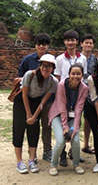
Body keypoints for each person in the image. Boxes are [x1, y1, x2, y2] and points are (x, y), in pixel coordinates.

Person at [13, 54, 58, 174]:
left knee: (34, 130)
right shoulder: (30, 74)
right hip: (22, 101)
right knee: (19, 129)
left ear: (53, 68)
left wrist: (34, 116)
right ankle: (19, 161)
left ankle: (32, 160)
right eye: (43, 65)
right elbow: (24, 94)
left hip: (36, 102)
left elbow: (44, 100)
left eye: (49, 66)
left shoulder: (53, 82)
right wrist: (28, 113)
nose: (45, 68)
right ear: (40, 66)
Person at [17, 33, 54, 162]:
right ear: (35, 46)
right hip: (31, 98)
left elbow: (53, 80)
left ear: (48, 46)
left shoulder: (51, 61)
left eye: (44, 44)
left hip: (46, 99)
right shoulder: (28, 60)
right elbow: (19, 78)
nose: (42, 46)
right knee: (32, 125)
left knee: (46, 125)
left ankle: (47, 150)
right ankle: (32, 152)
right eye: (39, 44)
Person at [54, 30, 87, 166]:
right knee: (64, 125)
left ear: (77, 42)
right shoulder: (60, 59)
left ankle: (74, 152)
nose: (70, 43)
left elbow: (82, 78)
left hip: (76, 97)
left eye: (72, 40)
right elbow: (57, 78)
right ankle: (61, 154)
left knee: (75, 124)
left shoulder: (83, 58)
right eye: (67, 40)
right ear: (64, 42)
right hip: (63, 95)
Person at [48, 64, 88, 176]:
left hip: (72, 117)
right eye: (73, 74)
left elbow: (79, 110)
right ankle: (53, 165)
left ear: (82, 75)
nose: (76, 76)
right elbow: (61, 107)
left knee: (75, 141)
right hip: (58, 115)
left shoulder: (84, 88)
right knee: (60, 141)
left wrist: (73, 129)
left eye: (78, 74)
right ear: (69, 74)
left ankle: (76, 164)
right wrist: (65, 128)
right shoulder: (61, 85)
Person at [80, 34, 98, 155]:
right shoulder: (76, 58)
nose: (88, 45)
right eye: (86, 43)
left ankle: (85, 144)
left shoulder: (95, 60)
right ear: (81, 44)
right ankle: (72, 147)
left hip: (90, 92)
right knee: (75, 118)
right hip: (77, 91)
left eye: (90, 43)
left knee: (87, 119)